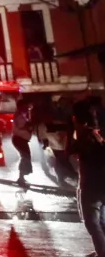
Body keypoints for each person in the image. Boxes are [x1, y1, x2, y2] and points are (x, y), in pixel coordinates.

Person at [70, 101, 105, 257]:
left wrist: (71, 131)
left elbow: (70, 151)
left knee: (92, 222)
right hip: (99, 184)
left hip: (91, 185)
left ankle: (102, 252)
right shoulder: (98, 135)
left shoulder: (85, 137)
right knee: (101, 221)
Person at [12, 100, 34, 186]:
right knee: (25, 157)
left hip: (21, 139)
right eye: (25, 107)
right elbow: (22, 126)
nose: (26, 108)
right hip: (19, 139)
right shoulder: (19, 116)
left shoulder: (21, 115)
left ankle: (21, 177)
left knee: (25, 157)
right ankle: (21, 178)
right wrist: (29, 125)